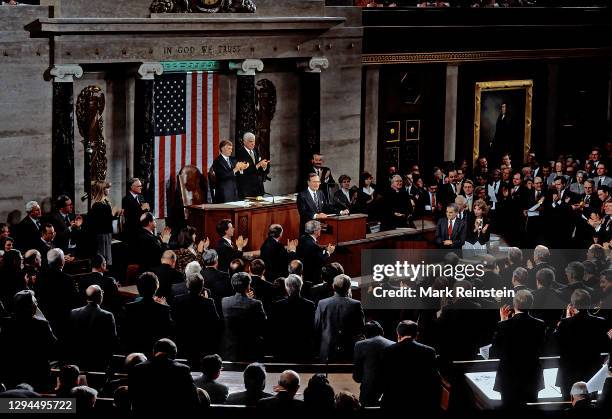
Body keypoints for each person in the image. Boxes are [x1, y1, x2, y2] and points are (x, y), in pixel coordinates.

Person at [491, 290, 546, 407]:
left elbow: (495, 351)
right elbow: (542, 347)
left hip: (509, 377)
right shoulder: (540, 324)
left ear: (514, 304)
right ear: (531, 304)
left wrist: (503, 322)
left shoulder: (503, 325)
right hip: (531, 376)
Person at [553, 289, 609, 399]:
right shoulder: (600, 322)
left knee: (569, 404)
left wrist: (567, 319)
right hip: (592, 373)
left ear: (573, 305)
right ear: (589, 303)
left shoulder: (564, 324)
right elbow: (605, 345)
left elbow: (556, 345)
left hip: (569, 373)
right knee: (591, 405)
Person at [0, 290, 57, 392]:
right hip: (37, 376)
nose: (37, 304)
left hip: (12, 376)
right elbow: (53, 349)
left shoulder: (6, 325)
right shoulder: (41, 325)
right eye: (35, 302)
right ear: (30, 307)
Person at [380, 320, 441, 412]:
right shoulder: (429, 351)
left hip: (394, 403)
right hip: (421, 403)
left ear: (398, 334)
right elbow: (434, 381)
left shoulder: (388, 351)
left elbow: (383, 378)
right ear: (417, 335)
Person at [128, 338, 199, 414]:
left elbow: (131, 397)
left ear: (154, 351)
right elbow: (193, 399)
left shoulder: (138, 368)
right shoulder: (183, 369)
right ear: (174, 354)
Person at [171, 272, 220, 362]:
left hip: (182, 341)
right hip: (202, 343)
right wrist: (206, 299)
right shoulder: (209, 302)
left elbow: (173, 319)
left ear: (187, 285)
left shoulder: (178, 299)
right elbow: (216, 322)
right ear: (202, 286)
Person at [66, 285, 117, 372]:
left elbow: (70, 337)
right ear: (100, 296)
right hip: (99, 360)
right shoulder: (108, 315)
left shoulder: (74, 313)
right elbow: (112, 340)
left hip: (78, 358)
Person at [315, 274, 365, 362]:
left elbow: (317, 327)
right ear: (349, 287)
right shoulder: (356, 304)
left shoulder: (322, 303)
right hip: (349, 351)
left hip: (327, 352)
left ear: (333, 286)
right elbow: (360, 329)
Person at [34, 248, 80, 340]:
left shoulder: (39, 277)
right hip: (64, 319)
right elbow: (75, 300)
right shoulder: (68, 279)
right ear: (62, 261)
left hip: (45, 317)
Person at [123, 272, 173, 354]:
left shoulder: (129, 308)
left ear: (139, 288)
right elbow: (168, 333)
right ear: (156, 287)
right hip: (156, 352)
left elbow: (125, 332)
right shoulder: (164, 309)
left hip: (134, 351)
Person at [221, 272, 267, 361]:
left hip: (230, 349)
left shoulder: (225, 302)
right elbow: (263, 324)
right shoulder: (256, 303)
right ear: (248, 285)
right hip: (251, 350)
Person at [269, 274, 316, 362]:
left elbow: (274, 329)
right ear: (301, 286)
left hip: (283, 349)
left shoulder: (277, 305)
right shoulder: (309, 305)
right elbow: (311, 328)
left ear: (286, 287)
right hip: (303, 349)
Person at [353, 320, 394, 406]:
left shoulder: (359, 345)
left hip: (368, 392)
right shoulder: (393, 344)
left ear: (365, 333)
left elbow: (357, 377)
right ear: (381, 331)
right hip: (389, 391)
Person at [88, 181, 120, 265]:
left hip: (107, 232)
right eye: (107, 188)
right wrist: (113, 212)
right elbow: (102, 221)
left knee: (107, 255)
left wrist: (115, 214)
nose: (109, 190)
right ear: (102, 190)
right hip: (101, 234)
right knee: (103, 256)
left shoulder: (105, 202)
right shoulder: (97, 205)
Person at [235, 132, 269, 198]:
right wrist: (258, 165)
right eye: (250, 141)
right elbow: (244, 171)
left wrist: (264, 167)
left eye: (254, 141)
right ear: (244, 142)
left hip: (258, 188)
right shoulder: (240, 153)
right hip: (247, 189)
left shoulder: (255, 150)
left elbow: (259, 169)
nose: (253, 143)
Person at [122, 178, 149, 246]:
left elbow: (145, 210)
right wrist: (141, 209)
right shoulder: (126, 199)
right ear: (132, 187)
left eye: (141, 186)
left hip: (143, 229)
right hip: (133, 231)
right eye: (139, 186)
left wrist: (147, 209)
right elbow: (129, 216)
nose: (141, 187)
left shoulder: (141, 197)